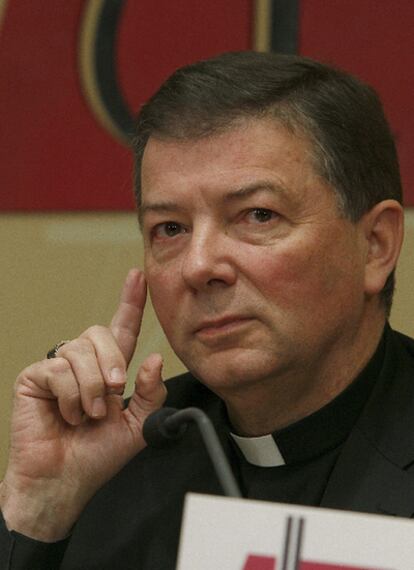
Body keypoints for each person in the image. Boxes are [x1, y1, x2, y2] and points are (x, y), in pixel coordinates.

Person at [0, 50, 411, 569]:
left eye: (257, 216)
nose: (199, 267)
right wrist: (38, 512)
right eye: (170, 228)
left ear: (375, 245)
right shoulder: (118, 464)